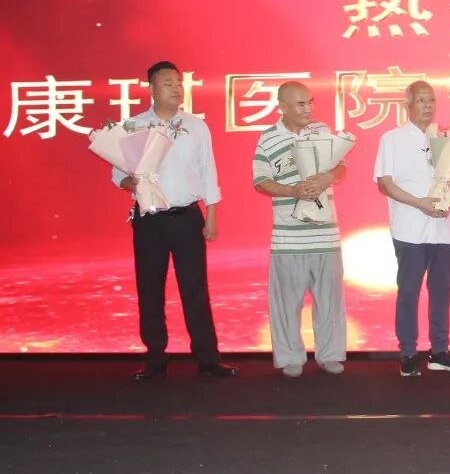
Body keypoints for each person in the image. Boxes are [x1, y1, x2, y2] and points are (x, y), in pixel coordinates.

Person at [113, 61, 236, 381]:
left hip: (187, 218)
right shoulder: (134, 125)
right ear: (151, 88)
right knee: (149, 289)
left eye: (179, 82)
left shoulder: (196, 126)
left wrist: (211, 215)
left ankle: (208, 359)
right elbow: (117, 173)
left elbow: (208, 170)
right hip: (149, 219)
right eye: (168, 83)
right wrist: (129, 181)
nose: (176, 88)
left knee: (195, 288)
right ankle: (155, 359)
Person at [252, 81, 348, 378]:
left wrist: (328, 177)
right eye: (300, 104)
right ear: (282, 107)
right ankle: (290, 356)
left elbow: (341, 168)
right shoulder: (268, 138)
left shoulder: (321, 131)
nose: (308, 109)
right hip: (288, 236)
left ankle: (330, 355)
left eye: (310, 102)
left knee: (330, 300)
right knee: (286, 302)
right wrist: (291, 191)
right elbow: (260, 181)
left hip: (325, 233)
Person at [374, 81, 450, 377]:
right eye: (422, 100)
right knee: (409, 292)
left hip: (444, 229)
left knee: (441, 292)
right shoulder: (392, 138)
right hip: (410, 229)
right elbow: (385, 184)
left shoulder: (445, 139)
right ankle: (408, 353)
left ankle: (439, 351)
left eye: (432, 100)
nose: (428, 106)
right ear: (408, 105)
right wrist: (420, 203)